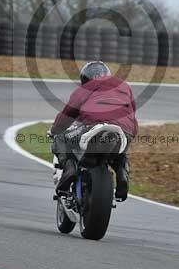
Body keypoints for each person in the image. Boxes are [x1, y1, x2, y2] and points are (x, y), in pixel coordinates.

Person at [50, 61, 137, 201]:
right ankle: (122, 174)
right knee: (120, 154)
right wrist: (129, 135)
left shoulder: (84, 89)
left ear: (85, 79)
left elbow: (66, 115)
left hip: (94, 126)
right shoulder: (125, 86)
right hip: (123, 131)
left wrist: (55, 131)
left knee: (61, 138)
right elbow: (132, 116)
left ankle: (69, 170)